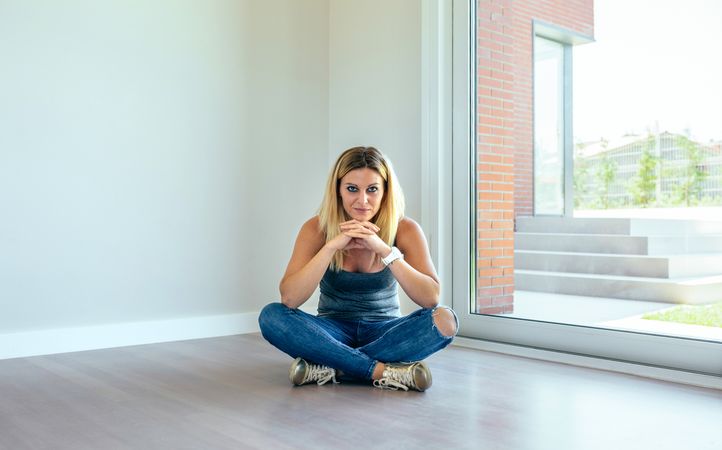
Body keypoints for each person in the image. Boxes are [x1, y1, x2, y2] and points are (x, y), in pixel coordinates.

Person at [258, 146, 458, 392]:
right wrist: (331, 246)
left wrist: (385, 250)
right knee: (271, 316)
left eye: (372, 189)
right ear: (338, 190)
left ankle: (334, 365)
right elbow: (290, 298)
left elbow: (430, 298)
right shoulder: (316, 229)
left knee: (445, 320)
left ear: (385, 192)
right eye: (352, 189)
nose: (362, 200)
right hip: (331, 329)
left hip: (384, 332)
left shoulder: (405, 229)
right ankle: (379, 371)